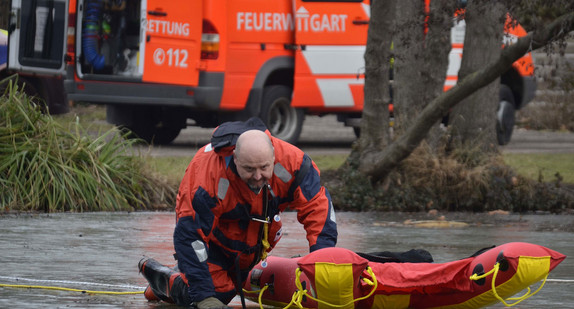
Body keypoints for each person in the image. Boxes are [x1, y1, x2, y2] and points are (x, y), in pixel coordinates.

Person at [139, 117, 338, 308]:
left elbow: (317, 209)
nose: (258, 176)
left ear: (274, 157)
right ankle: (166, 281)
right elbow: (190, 236)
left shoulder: (293, 164)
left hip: (254, 242)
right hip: (214, 243)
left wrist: (321, 262)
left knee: (232, 285)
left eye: (264, 167)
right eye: (249, 169)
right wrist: (203, 297)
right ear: (235, 159)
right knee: (218, 294)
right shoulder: (207, 178)